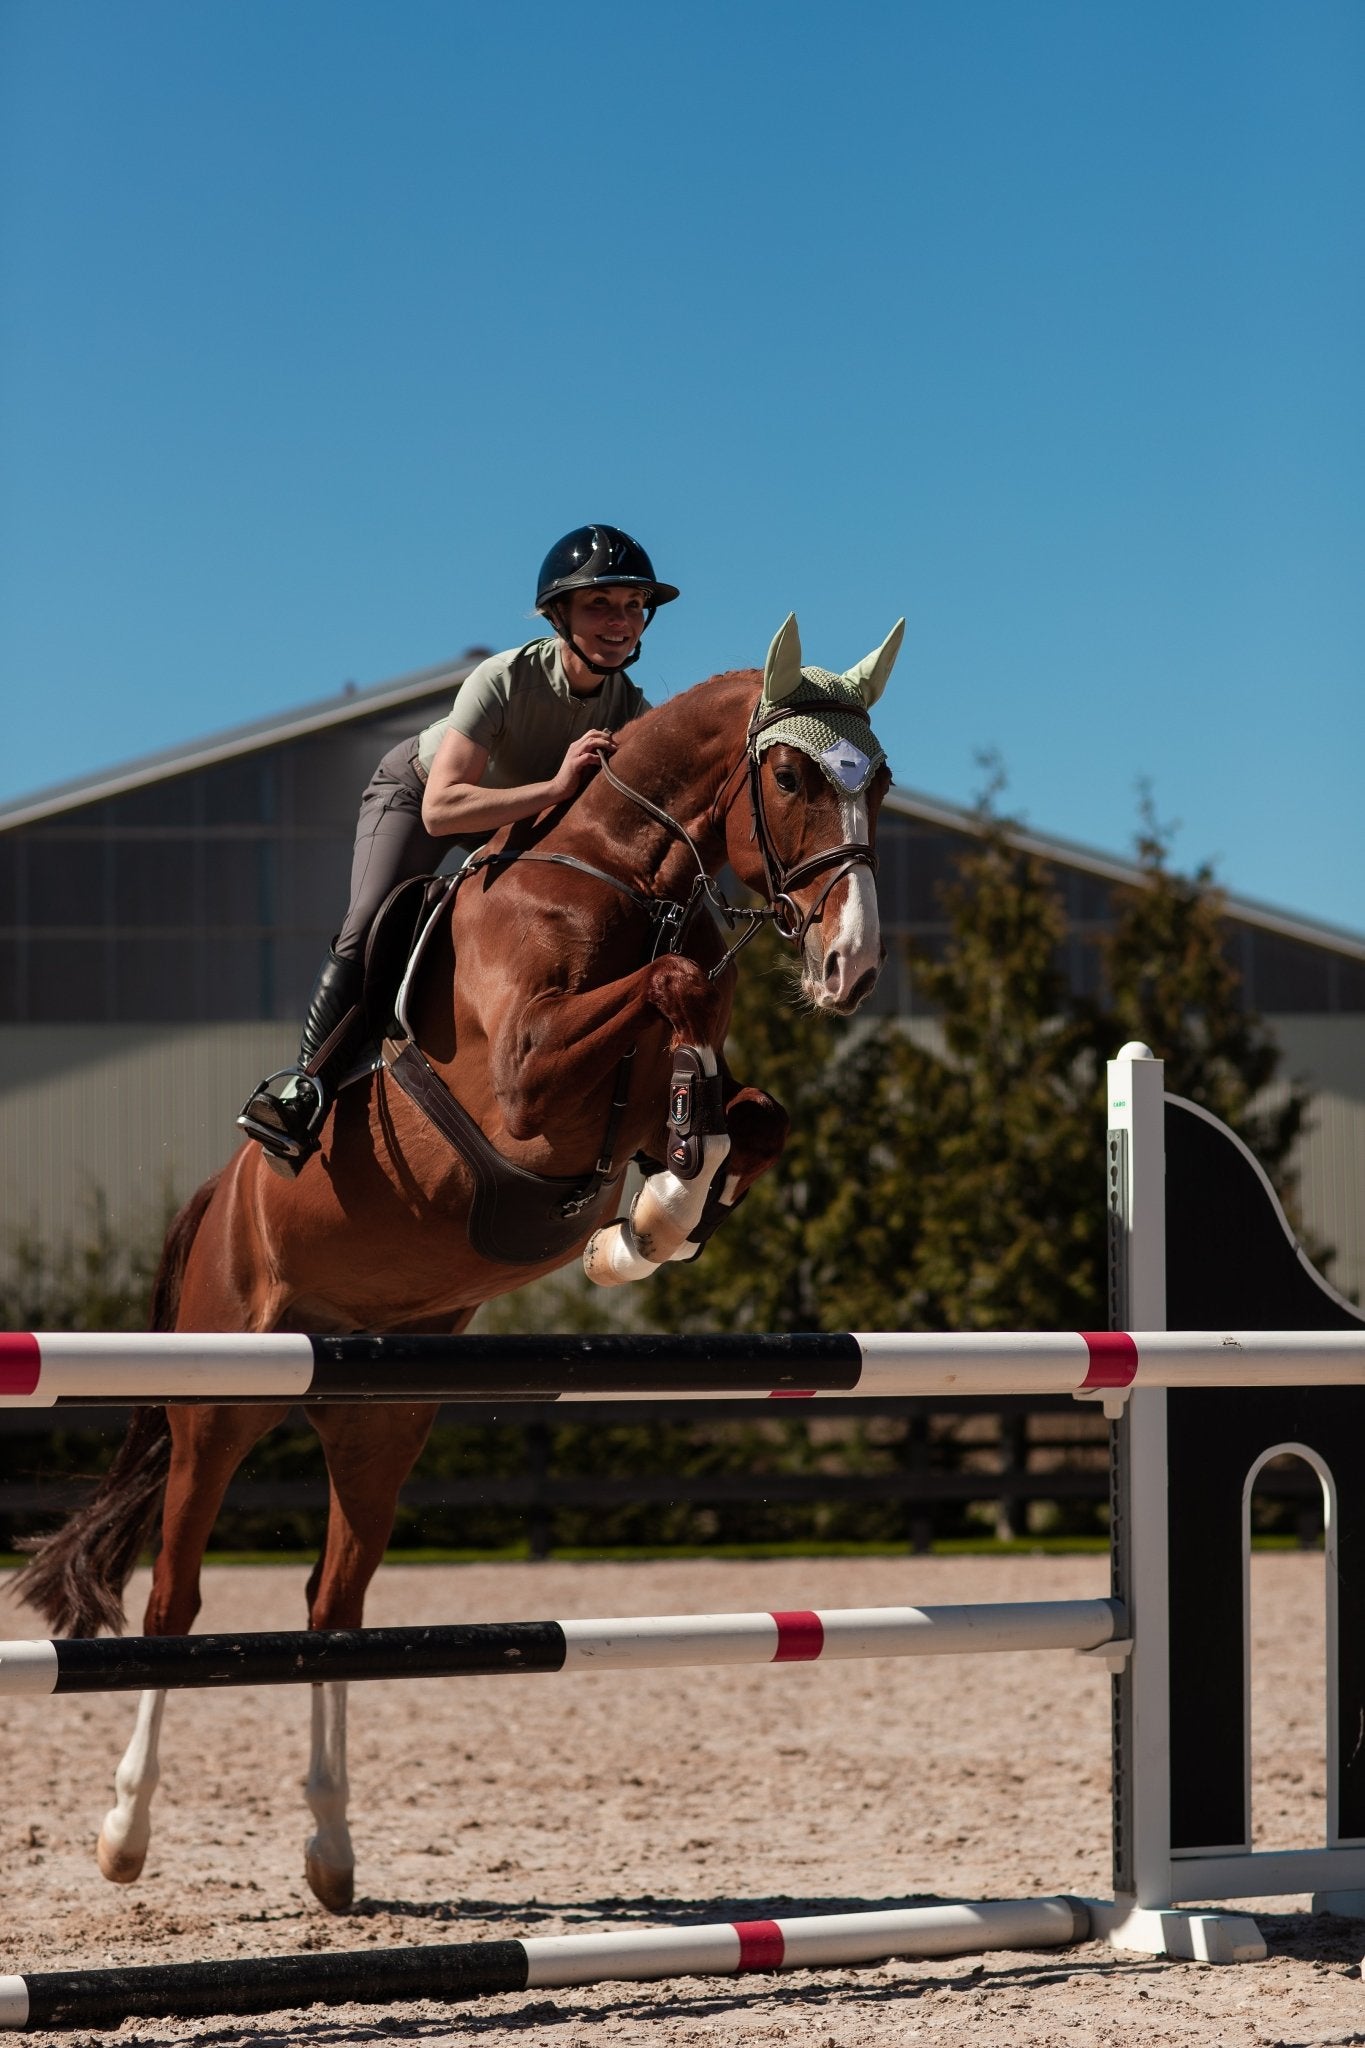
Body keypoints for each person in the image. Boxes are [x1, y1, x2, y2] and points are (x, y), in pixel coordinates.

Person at [237, 524, 680, 1174]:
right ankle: (304, 1088)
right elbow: (444, 811)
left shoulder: (632, 711)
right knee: (369, 925)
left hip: (515, 815)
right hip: (420, 797)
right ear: (559, 614)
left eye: (633, 607)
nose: (621, 622)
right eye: (600, 605)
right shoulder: (500, 680)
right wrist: (557, 785)